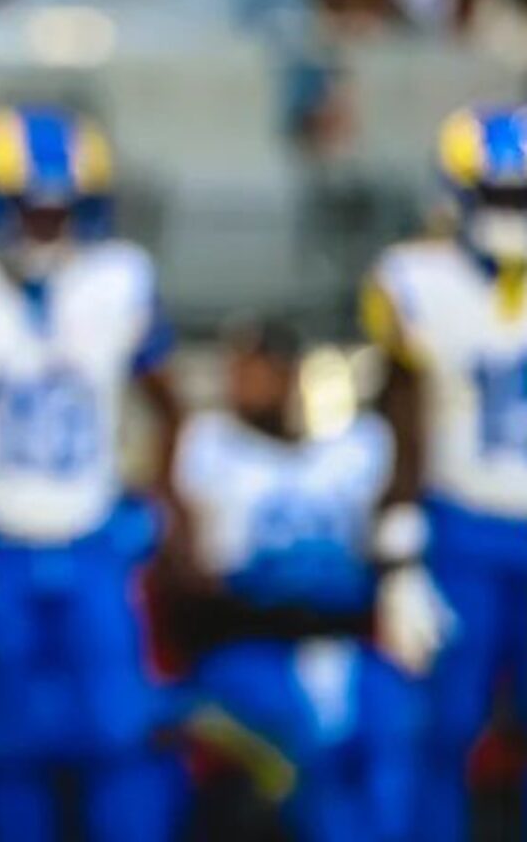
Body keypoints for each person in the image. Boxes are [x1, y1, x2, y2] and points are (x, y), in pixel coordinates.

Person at [0, 105, 181, 842]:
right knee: (5, 750)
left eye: (61, 212)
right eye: (31, 211)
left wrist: (159, 499)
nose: (46, 227)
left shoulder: (117, 279)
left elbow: (170, 402)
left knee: (121, 734)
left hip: (94, 537)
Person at [165, 315, 419, 842]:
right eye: (240, 370)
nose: (245, 383)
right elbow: (183, 572)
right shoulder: (209, 447)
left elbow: (404, 467)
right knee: (311, 751)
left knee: (400, 729)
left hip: (346, 642)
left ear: (292, 375)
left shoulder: (355, 450)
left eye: (260, 369)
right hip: (250, 640)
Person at [361, 104, 527, 840]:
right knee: (439, 730)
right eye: (501, 196)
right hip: (461, 529)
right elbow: (402, 426)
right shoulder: (417, 280)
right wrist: (399, 557)